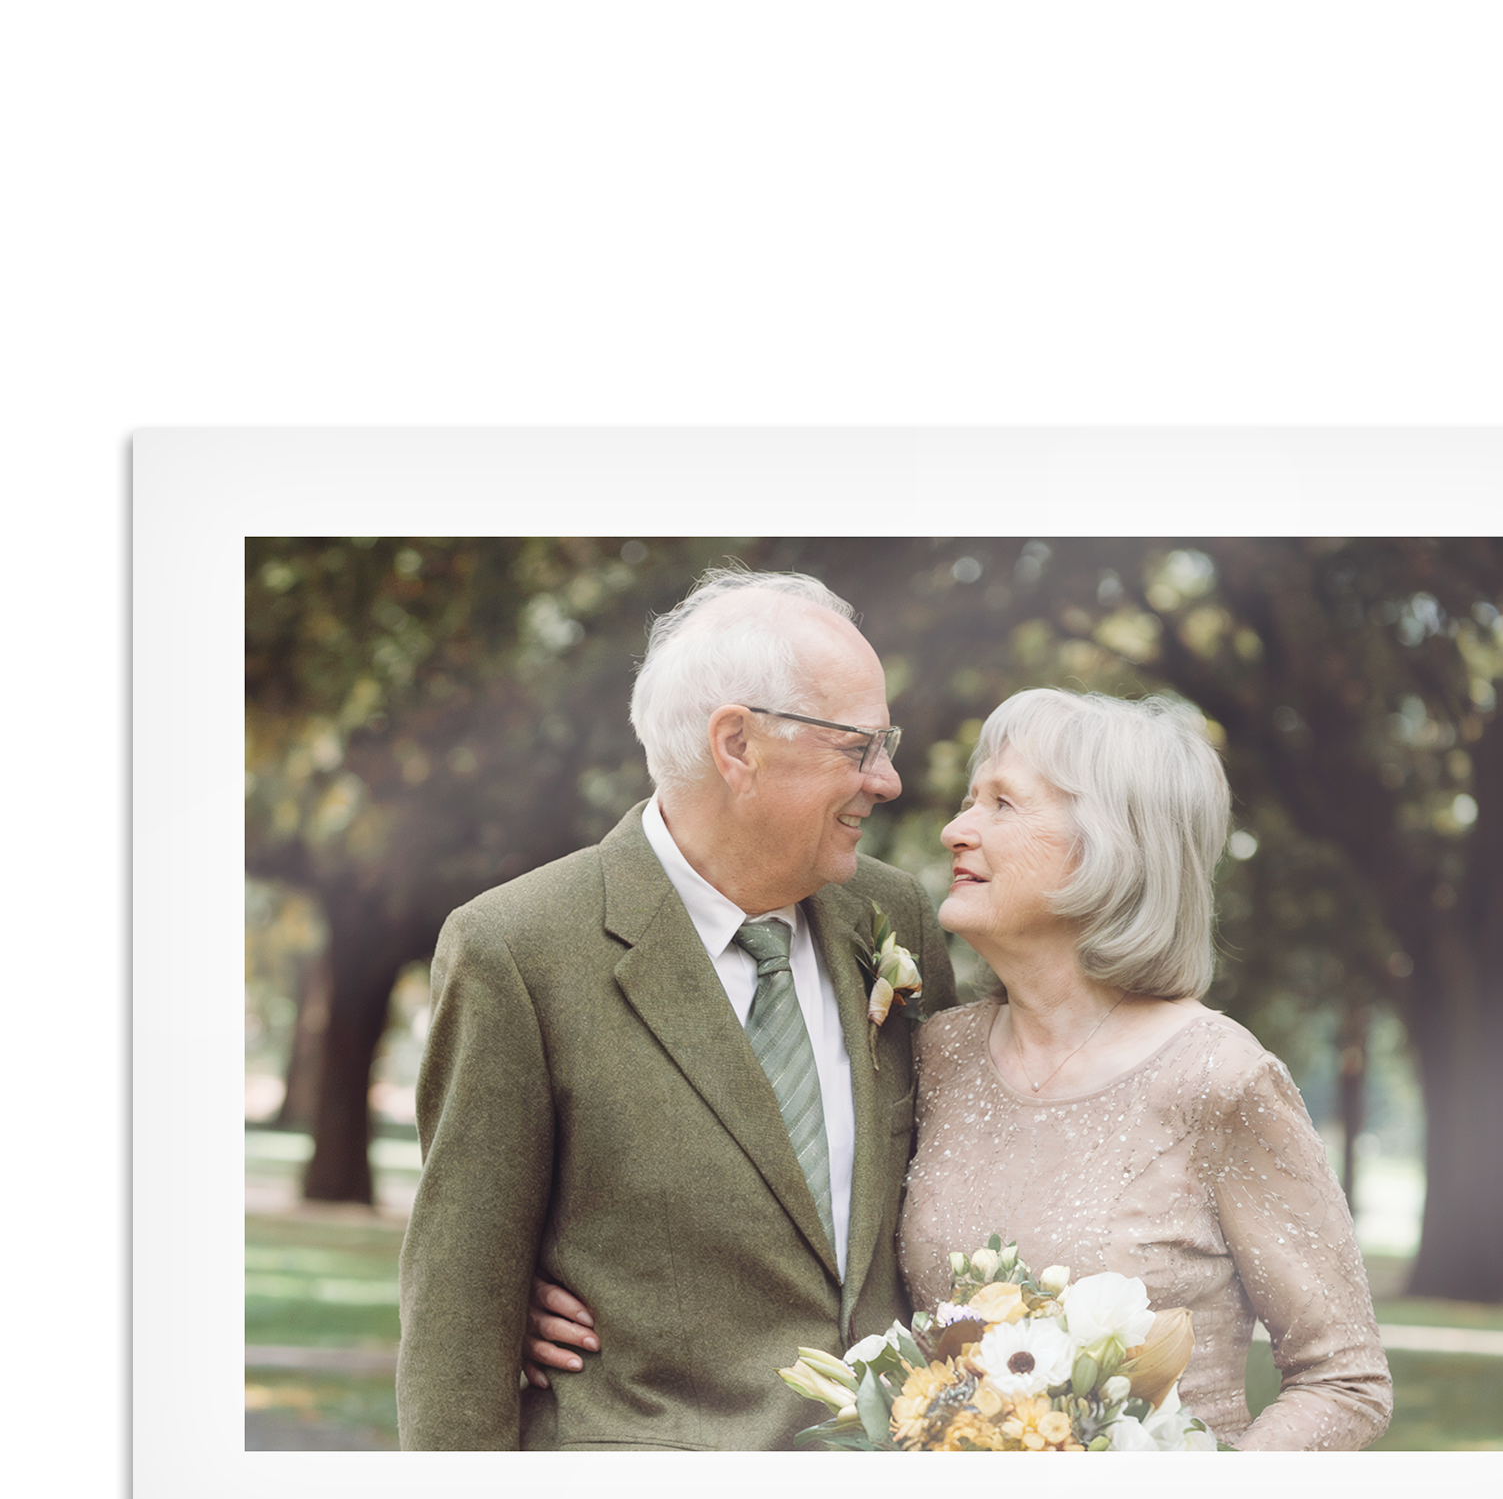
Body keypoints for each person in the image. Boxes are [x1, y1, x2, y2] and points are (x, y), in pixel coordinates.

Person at [531, 686, 1392, 1450]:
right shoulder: (934, 1051)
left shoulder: (1220, 1079)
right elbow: (794, 1220)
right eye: (970, 800)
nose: (955, 828)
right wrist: (557, 1285)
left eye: (1003, 805)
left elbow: (1344, 1378)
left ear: (1112, 848)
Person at [396, 568, 955, 1450]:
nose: (887, 781)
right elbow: (458, 1312)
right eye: (860, 747)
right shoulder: (518, 949)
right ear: (737, 745)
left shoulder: (896, 919)